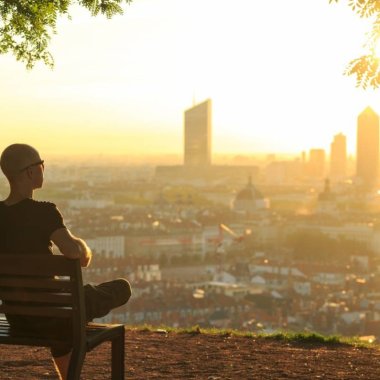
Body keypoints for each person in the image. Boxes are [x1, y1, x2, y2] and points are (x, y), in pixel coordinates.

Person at [0, 143, 132, 380]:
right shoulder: (44, 212)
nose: (43, 169)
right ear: (30, 172)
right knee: (121, 287)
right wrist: (82, 245)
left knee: (64, 317)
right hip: (52, 316)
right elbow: (76, 254)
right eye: (42, 165)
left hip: (16, 318)